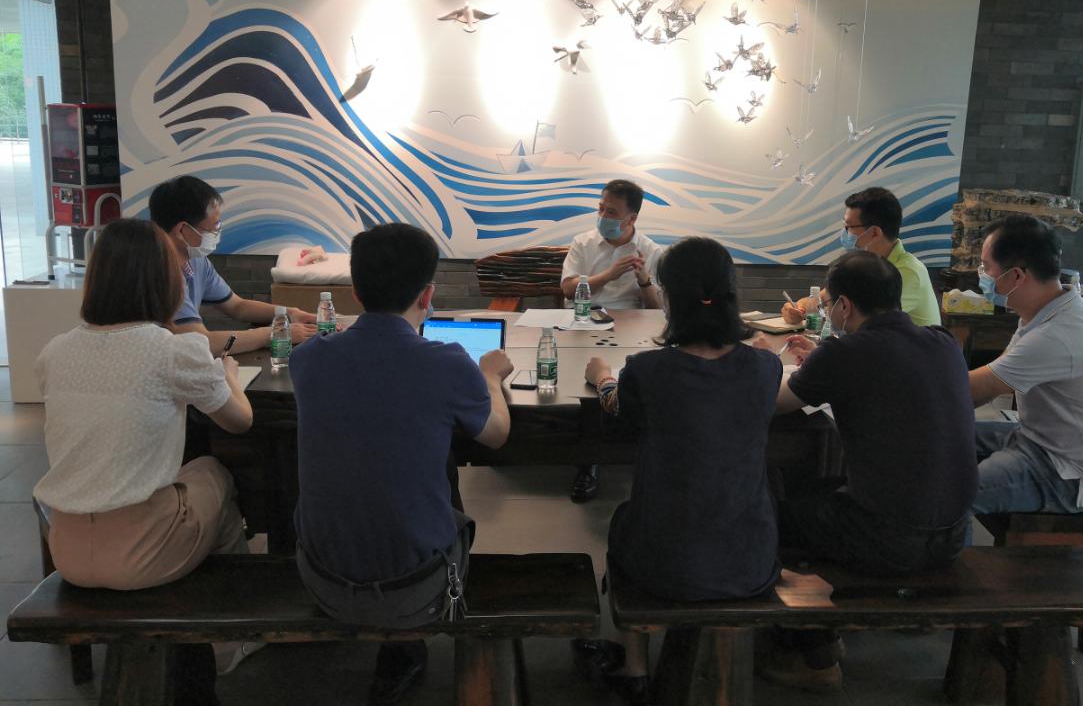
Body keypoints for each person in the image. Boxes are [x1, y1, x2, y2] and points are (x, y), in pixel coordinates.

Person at [291, 222, 514, 706]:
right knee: (440, 471)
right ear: (427, 295)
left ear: (354, 291)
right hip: (416, 590)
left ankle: (400, 653)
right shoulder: (448, 362)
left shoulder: (307, 359)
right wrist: (491, 377)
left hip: (321, 581)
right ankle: (408, 641)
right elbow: (496, 434)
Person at [33, 219, 254, 690]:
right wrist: (230, 376)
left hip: (67, 547)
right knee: (216, 473)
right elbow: (240, 421)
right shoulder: (175, 351)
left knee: (187, 479)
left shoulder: (54, 352)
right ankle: (224, 642)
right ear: (165, 280)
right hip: (143, 552)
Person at [578, 237, 783, 705]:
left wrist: (602, 376)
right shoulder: (764, 368)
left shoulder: (648, 370)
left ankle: (634, 668)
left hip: (665, 565)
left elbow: (619, 408)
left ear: (668, 298)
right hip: (750, 560)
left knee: (623, 520)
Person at [766, 250, 976, 691]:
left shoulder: (847, 352)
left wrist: (762, 362)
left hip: (889, 539)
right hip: (955, 532)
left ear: (844, 306)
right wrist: (822, 359)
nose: (827, 311)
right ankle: (828, 632)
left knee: (768, 517)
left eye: (827, 304)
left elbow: (776, 402)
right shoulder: (942, 342)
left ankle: (815, 657)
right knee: (813, 492)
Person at [968, 215, 1083, 515]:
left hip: (1069, 472)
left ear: (1016, 276)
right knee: (943, 438)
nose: (981, 275)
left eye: (986, 267)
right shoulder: (1050, 310)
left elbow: (975, 391)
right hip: (1040, 440)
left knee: (948, 494)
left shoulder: (1058, 334)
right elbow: (993, 376)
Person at [561, 179, 664, 503]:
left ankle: (619, 447)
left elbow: (657, 311)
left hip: (630, 328)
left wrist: (644, 280)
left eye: (612, 212)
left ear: (632, 218)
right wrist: (609, 274)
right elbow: (568, 289)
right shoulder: (583, 243)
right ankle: (588, 460)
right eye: (601, 208)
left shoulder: (650, 251)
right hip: (583, 322)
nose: (603, 216)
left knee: (632, 378)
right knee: (583, 383)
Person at [149, 175, 317, 355]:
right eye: (213, 226)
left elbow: (237, 306)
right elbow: (202, 343)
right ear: (182, 230)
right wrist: (274, 333)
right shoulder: (159, 272)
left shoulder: (196, 260)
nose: (217, 231)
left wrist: (290, 313)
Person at [783, 186, 941, 327]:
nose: (845, 233)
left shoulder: (907, 272)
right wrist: (798, 308)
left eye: (849, 227)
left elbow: (865, 324)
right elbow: (822, 298)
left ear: (874, 233)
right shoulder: (862, 265)